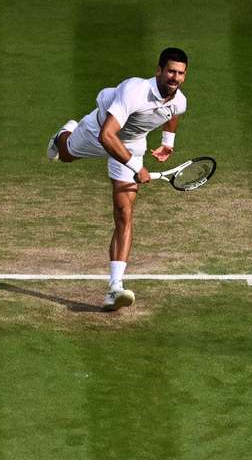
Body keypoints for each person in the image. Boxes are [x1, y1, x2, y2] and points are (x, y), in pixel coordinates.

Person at [47, 47, 189, 311]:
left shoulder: (179, 100)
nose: (175, 77)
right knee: (65, 155)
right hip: (98, 131)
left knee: (124, 213)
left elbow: (173, 113)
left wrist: (168, 142)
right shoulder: (135, 90)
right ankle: (63, 133)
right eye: (170, 71)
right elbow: (106, 136)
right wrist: (136, 166)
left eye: (180, 73)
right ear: (158, 71)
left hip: (132, 143)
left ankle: (115, 287)